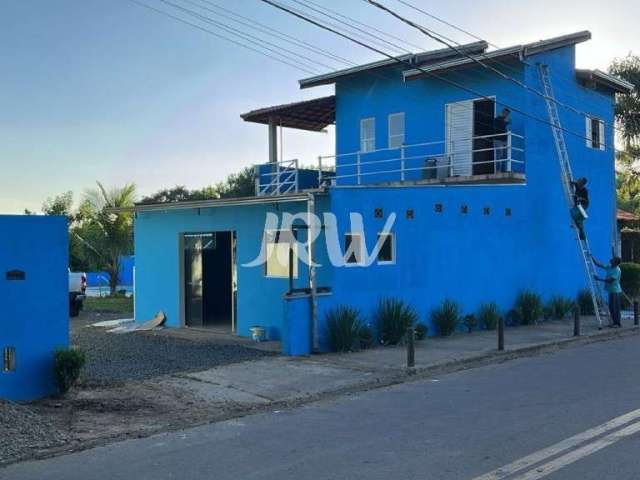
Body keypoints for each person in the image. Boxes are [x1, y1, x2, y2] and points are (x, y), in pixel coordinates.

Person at [592, 255, 622, 327]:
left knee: (615, 307)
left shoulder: (617, 270)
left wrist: (599, 279)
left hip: (615, 291)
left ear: (616, 262)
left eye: (613, 259)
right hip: (611, 290)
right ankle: (614, 322)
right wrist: (592, 257)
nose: (611, 259)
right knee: (611, 307)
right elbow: (599, 264)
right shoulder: (609, 266)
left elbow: (610, 280)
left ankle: (617, 323)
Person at [493, 108, 512, 172]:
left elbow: (506, 128)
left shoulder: (505, 120)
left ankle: (503, 170)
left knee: (505, 155)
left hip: (504, 139)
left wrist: (507, 123)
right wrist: (505, 122)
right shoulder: (496, 119)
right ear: (503, 112)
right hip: (498, 139)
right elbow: (498, 129)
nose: (507, 115)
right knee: (499, 154)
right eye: (506, 113)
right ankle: (498, 170)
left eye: (508, 114)